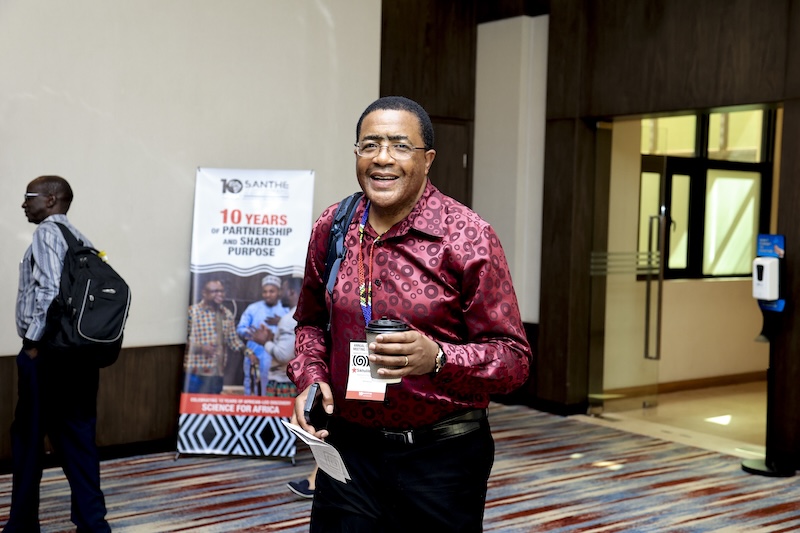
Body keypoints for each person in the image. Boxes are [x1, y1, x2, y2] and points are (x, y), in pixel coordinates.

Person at [288, 96, 532, 532]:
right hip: (349, 452)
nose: (382, 158)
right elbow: (309, 322)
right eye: (370, 145)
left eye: (400, 146)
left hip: (441, 459)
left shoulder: (468, 237)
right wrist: (312, 375)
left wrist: (437, 358)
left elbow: (513, 360)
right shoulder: (335, 226)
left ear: (427, 159)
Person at [5, 175, 111, 532]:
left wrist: (33, 342)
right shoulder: (80, 237)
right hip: (79, 356)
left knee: (28, 440)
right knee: (78, 440)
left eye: (29, 196)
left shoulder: (47, 233)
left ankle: (21, 526)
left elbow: (50, 290)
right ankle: (94, 525)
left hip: (49, 355)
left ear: (51, 199)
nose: (24, 203)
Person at [250, 277, 318, 499]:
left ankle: (286, 457)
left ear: (291, 292)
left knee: (284, 428)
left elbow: (285, 355)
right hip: (290, 379)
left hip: (284, 381)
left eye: (282, 290)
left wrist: (265, 342)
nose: (278, 294)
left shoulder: (291, 319)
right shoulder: (292, 317)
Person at [184, 279, 254, 394]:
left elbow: (233, 340)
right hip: (194, 373)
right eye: (215, 291)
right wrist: (200, 348)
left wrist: (248, 352)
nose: (220, 294)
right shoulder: (192, 312)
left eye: (222, 291)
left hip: (217, 374)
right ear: (204, 293)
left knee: (212, 403)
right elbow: (180, 341)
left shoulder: (226, 314)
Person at [237, 275, 289, 395]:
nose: (267, 295)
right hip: (254, 353)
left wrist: (280, 322)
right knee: (251, 383)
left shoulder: (286, 310)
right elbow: (240, 328)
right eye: (265, 292)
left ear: (279, 292)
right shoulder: (253, 308)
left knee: (272, 385)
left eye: (271, 291)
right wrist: (254, 333)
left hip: (276, 356)